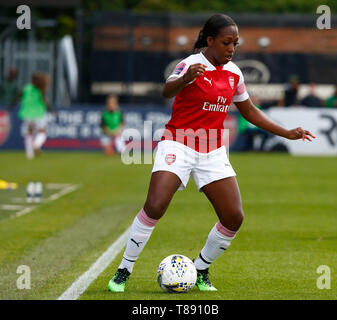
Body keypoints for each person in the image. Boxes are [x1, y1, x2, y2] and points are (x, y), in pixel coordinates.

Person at [108, 14, 315, 292]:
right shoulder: (192, 63)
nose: (231, 49)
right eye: (226, 42)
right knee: (155, 205)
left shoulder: (235, 74)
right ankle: (124, 270)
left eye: (235, 44)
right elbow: (166, 91)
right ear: (210, 40)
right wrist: (185, 80)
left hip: (212, 151)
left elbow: (250, 111)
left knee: (233, 217)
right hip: (178, 143)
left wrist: (287, 132)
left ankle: (201, 268)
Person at [10, 72, 52, 159]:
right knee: (42, 132)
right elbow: (45, 101)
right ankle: (36, 144)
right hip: (39, 113)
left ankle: (29, 154)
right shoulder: (40, 89)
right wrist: (51, 110)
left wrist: (11, 106)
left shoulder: (26, 87)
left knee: (29, 133)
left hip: (27, 113)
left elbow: (18, 97)